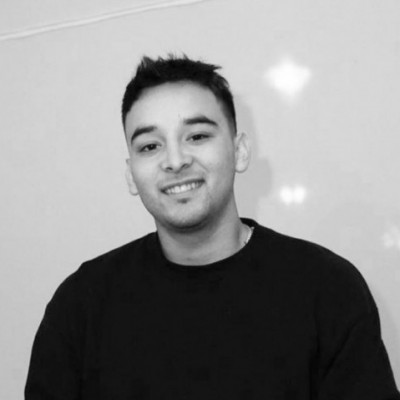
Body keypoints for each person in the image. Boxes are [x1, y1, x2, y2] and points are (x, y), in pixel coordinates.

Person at [25, 55, 400, 399]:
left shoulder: (327, 289)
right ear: (130, 175)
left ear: (239, 151)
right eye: (150, 146)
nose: (175, 161)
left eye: (198, 136)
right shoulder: (80, 306)